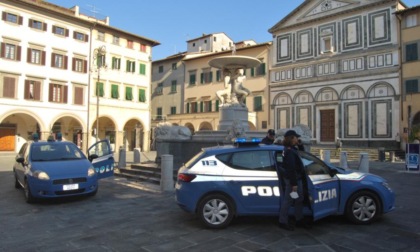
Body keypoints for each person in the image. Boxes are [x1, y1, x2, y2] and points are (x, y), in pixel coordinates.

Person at [278, 130, 309, 231]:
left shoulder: (291, 149)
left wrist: (300, 146)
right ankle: (283, 221)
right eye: (296, 137)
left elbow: (302, 154)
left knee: (299, 199)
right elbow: (291, 169)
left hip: (296, 180)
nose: (297, 139)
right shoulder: (289, 151)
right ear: (291, 138)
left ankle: (299, 219)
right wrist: (294, 184)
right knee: (288, 200)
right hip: (293, 181)